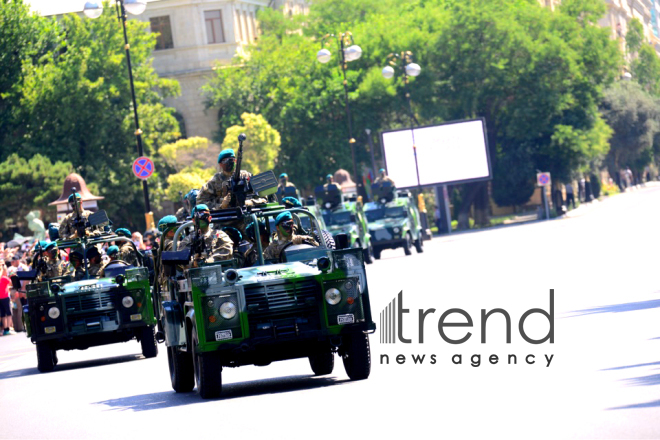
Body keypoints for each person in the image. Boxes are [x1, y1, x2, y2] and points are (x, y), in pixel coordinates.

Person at [197, 148, 266, 210]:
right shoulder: (214, 181)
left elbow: (264, 197)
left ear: (235, 161)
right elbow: (200, 202)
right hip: (224, 220)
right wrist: (221, 206)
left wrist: (250, 202)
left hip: (247, 218)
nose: (229, 163)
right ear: (220, 164)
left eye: (231, 160)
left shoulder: (246, 175)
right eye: (225, 161)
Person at [0, 260, 14, 335]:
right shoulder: (4, 278)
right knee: (8, 313)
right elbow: (11, 283)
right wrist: (11, 275)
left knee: (2, 314)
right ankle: (8, 328)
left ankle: (5, 329)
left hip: (0, 298)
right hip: (5, 297)